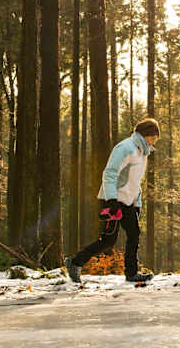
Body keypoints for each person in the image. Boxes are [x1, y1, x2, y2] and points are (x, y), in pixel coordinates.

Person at [65, 118, 160, 284]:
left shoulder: (141, 152)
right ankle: (75, 262)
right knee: (109, 240)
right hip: (114, 200)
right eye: (154, 137)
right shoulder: (125, 148)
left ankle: (132, 273)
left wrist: (137, 203)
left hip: (129, 202)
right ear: (146, 134)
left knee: (134, 234)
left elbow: (135, 181)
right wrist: (111, 200)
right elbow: (110, 173)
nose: (154, 141)